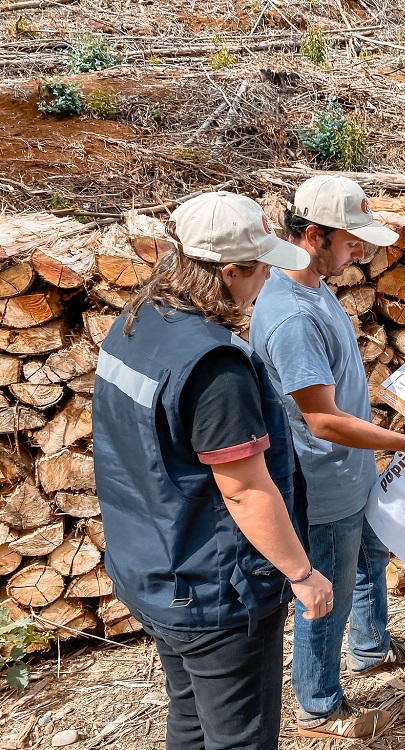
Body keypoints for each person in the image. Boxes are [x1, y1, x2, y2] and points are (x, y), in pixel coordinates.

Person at [93, 192, 334, 750]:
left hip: (154, 571)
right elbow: (247, 491)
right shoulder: (215, 366)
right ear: (228, 273)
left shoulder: (137, 322)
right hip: (217, 593)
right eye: (259, 270)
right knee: (240, 738)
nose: (263, 283)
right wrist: (302, 574)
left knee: (192, 720)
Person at [249, 175, 405, 740]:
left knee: (370, 561)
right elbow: (323, 419)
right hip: (325, 482)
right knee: (327, 594)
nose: (359, 249)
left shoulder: (312, 285)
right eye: (351, 239)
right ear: (314, 234)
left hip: (352, 472)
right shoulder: (292, 316)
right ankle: (319, 704)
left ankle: (370, 647)